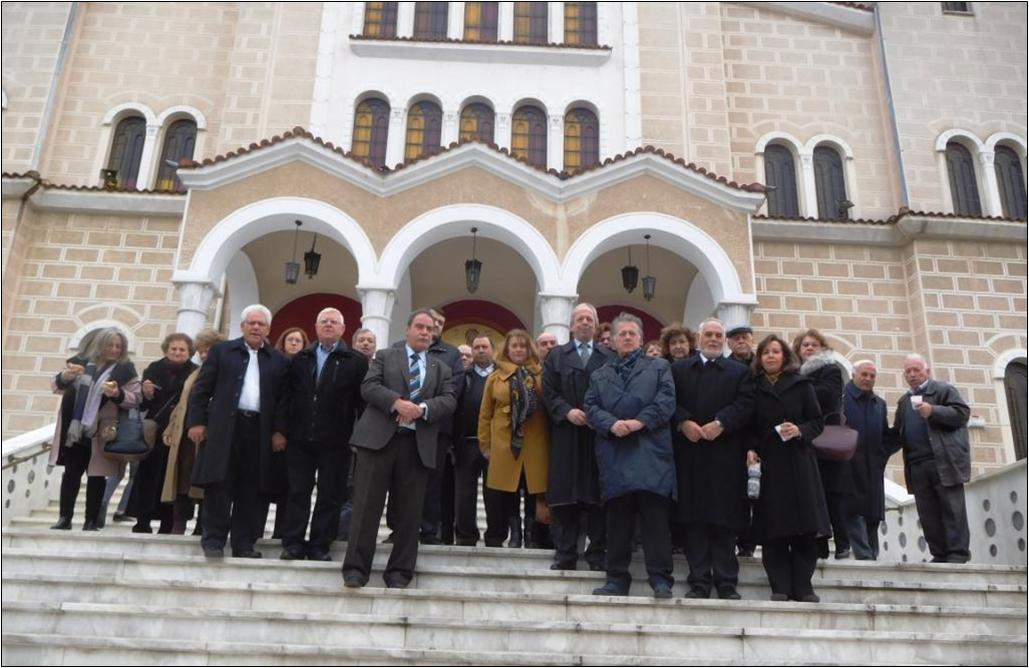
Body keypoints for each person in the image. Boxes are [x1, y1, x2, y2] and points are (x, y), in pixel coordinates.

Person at [342, 309, 457, 588]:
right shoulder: (385, 356)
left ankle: (399, 573)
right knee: (366, 506)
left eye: (430, 329)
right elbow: (369, 387)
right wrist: (397, 403)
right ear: (407, 330)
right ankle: (356, 569)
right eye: (420, 326)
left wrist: (422, 409)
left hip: (416, 446)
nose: (425, 332)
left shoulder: (440, 368)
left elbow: (449, 399)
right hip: (379, 442)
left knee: (409, 513)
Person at [187, 304, 290, 559]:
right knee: (220, 485)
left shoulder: (278, 360)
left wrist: (279, 431)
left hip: (259, 430)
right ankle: (213, 540)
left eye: (261, 324)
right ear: (243, 326)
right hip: (225, 428)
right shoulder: (223, 351)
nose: (256, 328)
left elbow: (283, 400)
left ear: (268, 329)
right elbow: (202, 389)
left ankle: (244, 543)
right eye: (251, 323)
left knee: (252, 489)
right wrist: (197, 422)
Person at [585, 313, 676, 599]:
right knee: (618, 523)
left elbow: (666, 401)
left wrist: (639, 422)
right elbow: (590, 405)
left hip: (651, 453)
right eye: (621, 333)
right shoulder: (599, 374)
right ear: (612, 340)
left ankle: (660, 579)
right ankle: (616, 579)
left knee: (655, 522)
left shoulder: (659, 366)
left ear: (640, 337)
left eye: (632, 333)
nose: (626, 337)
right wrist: (611, 424)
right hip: (615, 452)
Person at [672, 318, 755, 600]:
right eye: (708, 334)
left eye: (718, 335)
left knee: (723, 522)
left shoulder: (738, 372)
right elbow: (669, 401)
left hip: (725, 457)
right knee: (694, 522)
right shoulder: (679, 369)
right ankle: (699, 582)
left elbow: (746, 404)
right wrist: (683, 423)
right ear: (698, 339)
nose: (713, 339)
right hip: (690, 455)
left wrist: (721, 423)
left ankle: (726, 583)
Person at [280, 308, 368, 561]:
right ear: (316, 328)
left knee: (330, 495)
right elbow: (286, 398)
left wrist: (359, 437)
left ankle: (320, 545)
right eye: (324, 322)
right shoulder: (301, 358)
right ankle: (293, 543)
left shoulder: (356, 361)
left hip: (337, 441)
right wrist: (281, 431)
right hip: (300, 439)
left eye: (334, 322)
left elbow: (362, 404)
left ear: (343, 329)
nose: (328, 325)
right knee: (297, 492)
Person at [747, 335, 829, 603]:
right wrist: (751, 447)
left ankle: (804, 586)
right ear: (759, 359)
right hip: (769, 464)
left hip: (799, 462)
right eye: (765, 353)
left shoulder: (801, 385)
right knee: (774, 528)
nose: (770, 356)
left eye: (775, 352)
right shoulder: (752, 387)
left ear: (784, 356)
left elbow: (817, 421)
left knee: (805, 527)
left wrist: (800, 430)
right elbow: (747, 424)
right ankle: (779, 586)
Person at [49, 327, 142, 531]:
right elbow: (57, 387)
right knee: (71, 474)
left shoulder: (125, 370)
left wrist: (117, 394)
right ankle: (65, 518)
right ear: (100, 345)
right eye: (110, 345)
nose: (115, 349)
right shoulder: (80, 363)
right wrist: (66, 376)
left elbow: (136, 398)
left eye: (119, 346)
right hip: (75, 430)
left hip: (103, 431)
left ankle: (91, 521)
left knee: (97, 476)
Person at [542, 303, 612, 571]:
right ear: (571, 326)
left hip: (598, 436)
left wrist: (600, 416)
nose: (585, 322)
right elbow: (548, 392)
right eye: (580, 319)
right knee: (565, 497)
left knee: (597, 496)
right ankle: (565, 554)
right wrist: (566, 411)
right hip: (566, 435)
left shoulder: (608, 357)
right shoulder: (557, 356)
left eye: (589, 319)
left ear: (595, 326)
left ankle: (596, 554)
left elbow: (615, 393)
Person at [891, 353, 971, 563]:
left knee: (951, 509)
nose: (912, 374)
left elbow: (962, 414)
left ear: (927, 371)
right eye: (908, 371)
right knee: (927, 513)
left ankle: (957, 553)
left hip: (943, 461)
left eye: (916, 370)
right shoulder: (904, 401)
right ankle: (939, 553)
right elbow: (898, 433)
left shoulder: (943, 390)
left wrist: (933, 410)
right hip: (916, 466)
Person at [478, 329, 550, 548]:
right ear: (507, 349)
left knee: (532, 488)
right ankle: (515, 533)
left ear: (530, 349)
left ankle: (530, 533)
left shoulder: (541, 375)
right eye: (514, 346)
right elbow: (485, 413)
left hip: (536, 441)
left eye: (523, 346)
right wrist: (485, 444)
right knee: (507, 488)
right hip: (504, 443)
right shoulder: (495, 377)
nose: (519, 350)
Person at [126, 333, 197, 534]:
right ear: (166, 349)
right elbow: (144, 405)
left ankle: (168, 523)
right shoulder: (153, 369)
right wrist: (146, 394)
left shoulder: (195, 371)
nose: (177, 352)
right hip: (156, 432)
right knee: (148, 477)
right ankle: (142, 520)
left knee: (173, 478)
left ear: (189, 352)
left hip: (179, 432)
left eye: (182, 349)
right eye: (173, 348)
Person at [794, 329, 851, 559]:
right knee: (811, 494)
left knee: (832, 493)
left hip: (827, 439)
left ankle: (842, 542)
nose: (809, 348)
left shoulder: (830, 369)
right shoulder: (794, 373)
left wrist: (800, 389)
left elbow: (828, 395)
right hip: (805, 440)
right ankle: (819, 545)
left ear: (821, 348)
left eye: (813, 345)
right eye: (804, 345)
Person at [162, 329, 225, 534]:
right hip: (185, 437)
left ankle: (201, 527)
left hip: (208, 437)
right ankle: (178, 525)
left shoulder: (224, 373)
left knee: (203, 482)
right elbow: (182, 403)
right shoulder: (195, 373)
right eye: (201, 350)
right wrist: (171, 428)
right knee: (182, 480)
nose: (205, 354)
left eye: (209, 350)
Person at [450, 334, 495, 545]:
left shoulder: (501, 375)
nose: (480, 350)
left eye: (485, 346)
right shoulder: (463, 375)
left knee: (494, 492)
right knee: (464, 493)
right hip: (466, 442)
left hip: (495, 446)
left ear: (492, 350)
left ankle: (495, 535)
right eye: (476, 347)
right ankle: (465, 535)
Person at [842, 360, 890, 560]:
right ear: (853, 375)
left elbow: (885, 434)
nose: (868, 379)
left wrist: (882, 455)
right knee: (854, 511)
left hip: (873, 466)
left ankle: (872, 553)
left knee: (873, 514)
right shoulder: (842, 399)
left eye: (872, 376)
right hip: (849, 464)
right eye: (864, 374)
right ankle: (864, 554)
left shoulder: (879, 404)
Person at [726, 324, 757, 557]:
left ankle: (749, 540)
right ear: (729, 343)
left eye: (745, 338)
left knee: (756, 494)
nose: (741, 342)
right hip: (731, 437)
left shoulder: (761, 367)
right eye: (736, 338)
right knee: (736, 492)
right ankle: (738, 538)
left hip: (757, 436)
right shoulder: (725, 368)